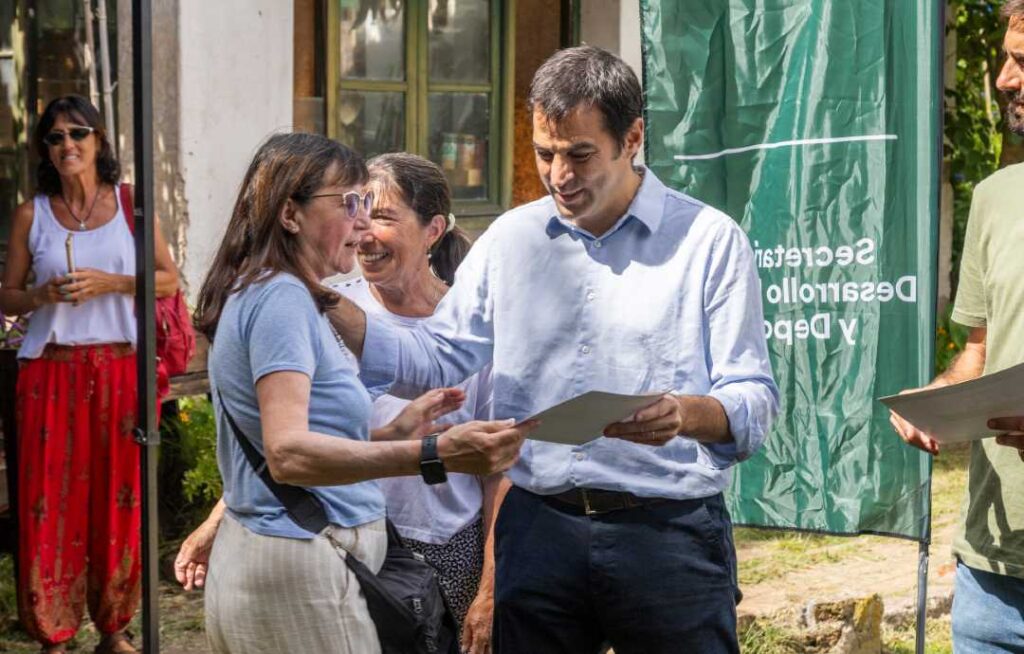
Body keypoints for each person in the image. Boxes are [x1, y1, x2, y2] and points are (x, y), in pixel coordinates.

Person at [328, 46, 779, 653]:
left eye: (580, 154)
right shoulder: (511, 240)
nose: (560, 175)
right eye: (545, 154)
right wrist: (322, 300)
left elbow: (753, 397)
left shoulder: (709, 241)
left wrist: (687, 414)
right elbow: (432, 357)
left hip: (667, 536)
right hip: (539, 529)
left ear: (634, 136)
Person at [189, 133, 529, 654]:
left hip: (291, 554)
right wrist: (432, 453)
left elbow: (286, 432)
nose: (363, 224)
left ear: (433, 231)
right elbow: (287, 453)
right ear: (290, 214)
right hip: (302, 561)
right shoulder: (284, 297)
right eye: (349, 204)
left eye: (371, 208)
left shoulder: (268, 289)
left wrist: (390, 430)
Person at [0, 95, 180, 654]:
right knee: (46, 503)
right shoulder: (32, 213)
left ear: (100, 141)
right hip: (50, 373)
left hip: (120, 369)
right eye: (54, 137)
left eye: (78, 132)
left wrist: (114, 283)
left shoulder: (132, 204)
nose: (67, 144)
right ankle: (53, 633)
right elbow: (7, 295)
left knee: (120, 500)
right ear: (45, 151)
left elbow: (170, 281)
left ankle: (113, 628)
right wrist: (36, 295)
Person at [890, 2, 1024, 649]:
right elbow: (978, 351)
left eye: (1020, 61)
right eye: (1004, 57)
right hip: (991, 580)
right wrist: (936, 403)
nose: (1002, 78)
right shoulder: (996, 196)